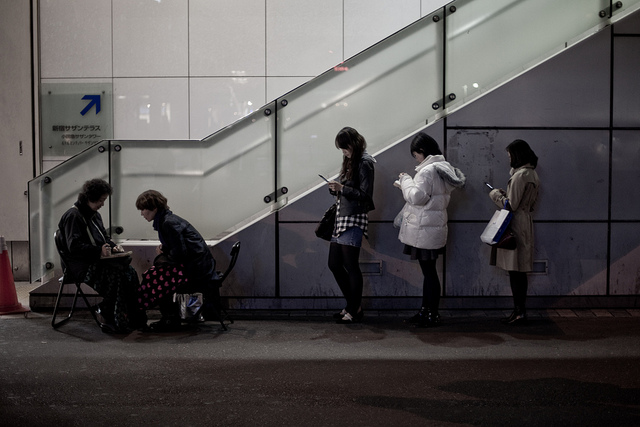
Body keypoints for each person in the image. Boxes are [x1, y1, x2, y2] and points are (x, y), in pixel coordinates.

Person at [395, 133, 466, 327]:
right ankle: (428, 311)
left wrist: (405, 180)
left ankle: (430, 313)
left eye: (416, 154)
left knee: (429, 273)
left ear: (423, 152)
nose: (416, 158)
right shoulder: (443, 169)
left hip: (424, 230)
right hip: (433, 228)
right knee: (430, 272)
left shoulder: (427, 171)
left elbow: (418, 197)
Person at [58, 178, 143, 333]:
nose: (102, 204)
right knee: (117, 276)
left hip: (95, 261)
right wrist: (98, 251)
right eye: (101, 200)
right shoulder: (73, 216)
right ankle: (110, 315)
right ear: (91, 198)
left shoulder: (94, 215)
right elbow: (74, 247)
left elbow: (103, 238)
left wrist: (113, 247)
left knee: (129, 272)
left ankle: (129, 317)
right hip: (79, 266)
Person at [135, 190, 219, 331]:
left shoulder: (168, 223)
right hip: (198, 266)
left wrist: (164, 251)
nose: (142, 213)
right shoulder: (168, 220)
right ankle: (163, 317)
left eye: (144, 209)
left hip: (197, 271)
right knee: (156, 274)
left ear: (154, 209)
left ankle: (163, 317)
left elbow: (180, 253)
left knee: (154, 277)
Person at [326, 127, 375, 324]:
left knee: (350, 265)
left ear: (353, 144)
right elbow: (347, 190)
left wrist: (342, 188)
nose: (344, 152)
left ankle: (354, 309)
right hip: (342, 217)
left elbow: (365, 195)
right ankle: (352, 305)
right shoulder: (350, 161)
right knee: (334, 264)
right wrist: (336, 189)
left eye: (345, 148)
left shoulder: (365, 162)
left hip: (353, 218)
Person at [488, 139, 540, 325]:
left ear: (517, 155)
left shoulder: (519, 176)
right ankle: (520, 310)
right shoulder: (532, 174)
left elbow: (510, 205)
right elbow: (529, 204)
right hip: (526, 222)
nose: (509, 158)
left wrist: (495, 194)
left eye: (510, 155)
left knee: (515, 271)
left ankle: (519, 312)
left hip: (515, 224)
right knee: (519, 271)